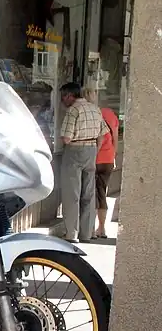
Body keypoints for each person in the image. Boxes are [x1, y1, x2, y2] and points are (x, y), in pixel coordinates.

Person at [60, 82, 109, 243]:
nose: (62, 100)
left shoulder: (73, 110)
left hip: (74, 151)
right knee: (88, 194)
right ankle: (86, 233)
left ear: (69, 95)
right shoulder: (95, 108)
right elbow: (102, 134)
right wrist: (94, 150)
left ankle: (71, 234)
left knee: (72, 194)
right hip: (92, 149)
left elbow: (66, 138)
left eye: (63, 96)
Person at [82, 87, 119, 239]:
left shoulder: (90, 113)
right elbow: (115, 138)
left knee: (89, 194)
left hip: (94, 158)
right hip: (108, 159)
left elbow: (97, 138)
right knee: (102, 193)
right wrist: (113, 156)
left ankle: (90, 228)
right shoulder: (110, 114)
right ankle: (102, 228)